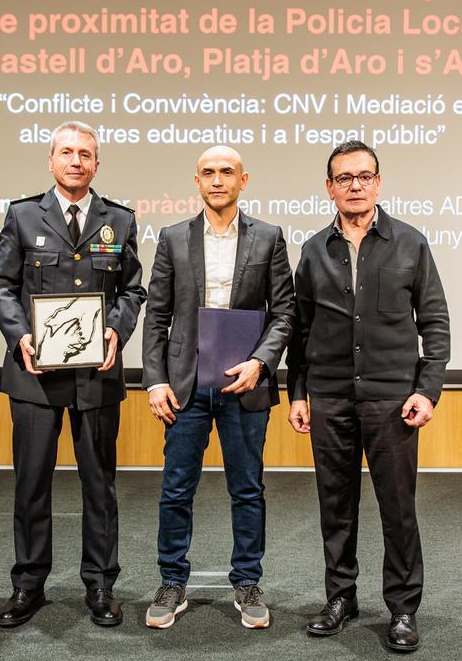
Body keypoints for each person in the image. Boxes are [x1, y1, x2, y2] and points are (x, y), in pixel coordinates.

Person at [286, 140, 450, 653]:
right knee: (335, 506)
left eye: (363, 176)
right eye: (344, 178)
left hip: (392, 400)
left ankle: (402, 608)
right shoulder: (314, 250)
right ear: (329, 187)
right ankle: (341, 597)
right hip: (331, 397)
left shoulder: (411, 243)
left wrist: (427, 390)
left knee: (398, 509)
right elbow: (300, 330)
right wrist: (297, 393)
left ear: (378, 183)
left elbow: (435, 323)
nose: (354, 186)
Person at [0, 120, 146, 628]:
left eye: (85, 154)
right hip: (35, 374)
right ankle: (28, 584)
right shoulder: (22, 215)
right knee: (31, 483)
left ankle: (100, 584)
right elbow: (2, 286)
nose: (75, 161)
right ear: (51, 160)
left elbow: (133, 290)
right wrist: (20, 335)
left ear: (96, 164)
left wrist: (117, 330)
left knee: (99, 484)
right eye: (66, 152)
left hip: (96, 375)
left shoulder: (119, 219)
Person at [141, 146, 295, 630]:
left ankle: (247, 582)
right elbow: (156, 315)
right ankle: (172, 581)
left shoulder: (268, 237)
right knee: (176, 488)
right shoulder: (173, 238)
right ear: (197, 181)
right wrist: (155, 380)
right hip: (184, 386)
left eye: (227, 172)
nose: (217, 180)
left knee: (247, 489)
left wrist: (261, 364)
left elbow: (284, 312)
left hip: (243, 383)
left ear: (243, 180)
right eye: (208, 172)